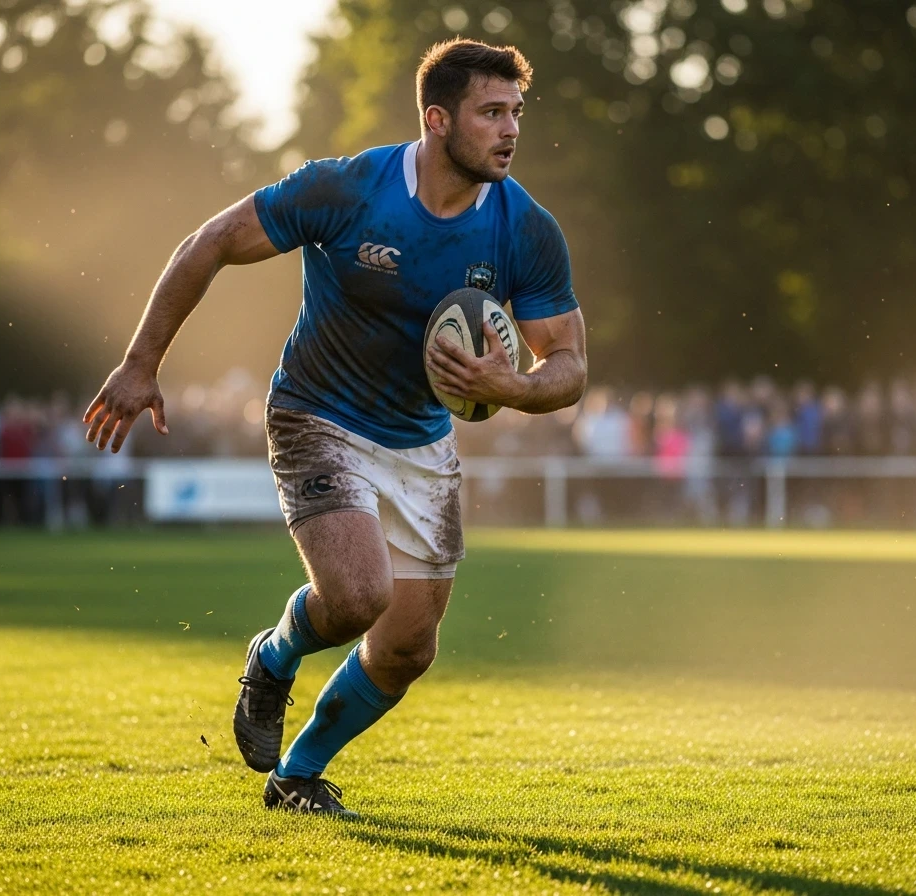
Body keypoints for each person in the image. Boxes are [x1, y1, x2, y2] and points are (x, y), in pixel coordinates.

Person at [81, 39, 587, 816]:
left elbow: (570, 364)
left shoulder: (525, 228)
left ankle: (297, 776)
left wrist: (511, 387)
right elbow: (209, 242)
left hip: (421, 439)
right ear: (437, 119)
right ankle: (274, 655)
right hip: (317, 413)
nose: (511, 129)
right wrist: (140, 362)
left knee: (408, 648)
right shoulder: (348, 189)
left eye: (516, 112)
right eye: (491, 112)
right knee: (356, 597)